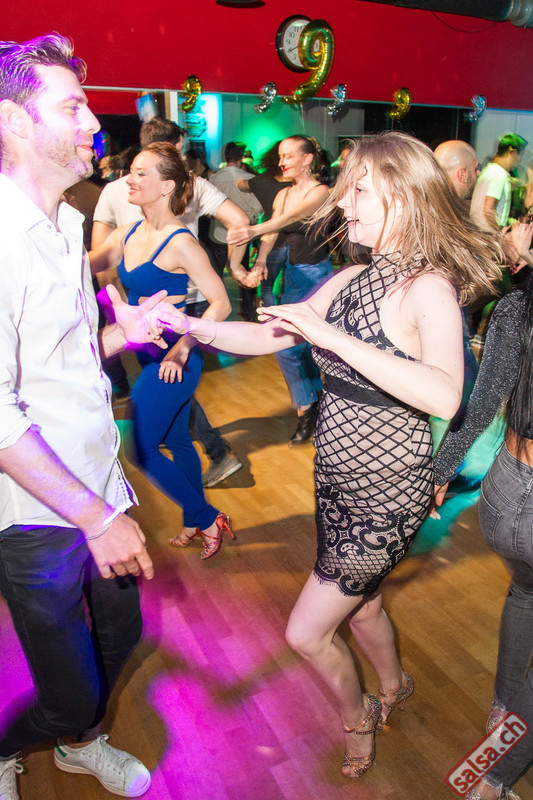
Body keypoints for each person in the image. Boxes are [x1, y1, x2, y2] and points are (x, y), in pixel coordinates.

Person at [158, 131, 502, 780]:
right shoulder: (349, 278)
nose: (344, 205)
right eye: (344, 192)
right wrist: (192, 327)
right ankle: (394, 683)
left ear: (404, 197)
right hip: (335, 476)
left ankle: (358, 713)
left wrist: (330, 338)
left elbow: (444, 393)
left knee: (306, 632)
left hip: (386, 491)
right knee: (361, 602)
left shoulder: (426, 287)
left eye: (358, 191)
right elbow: (268, 336)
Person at [0, 33, 175, 800]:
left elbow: (57, 358)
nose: (93, 122)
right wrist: (96, 519)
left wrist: (120, 335)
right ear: (12, 121)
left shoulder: (66, 223)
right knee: (68, 688)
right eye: (72, 107)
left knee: (121, 634)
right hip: (38, 511)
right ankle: (23, 744)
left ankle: (81, 745)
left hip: (98, 480)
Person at [89, 142, 235, 560]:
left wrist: (185, 347)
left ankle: (207, 517)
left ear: (167, 185)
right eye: (131, 171)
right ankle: (194, 521)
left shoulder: (181, 242)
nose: (130, 180)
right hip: (148, 353)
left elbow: (221, 303)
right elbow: (89, 263)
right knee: (178, 440)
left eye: (141, 173)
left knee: (141, 449)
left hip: (176, 359)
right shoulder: (127, 232)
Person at [434, 224, 533, 800]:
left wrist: (440, 471)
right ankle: (492, 778)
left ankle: (502, 710)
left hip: (503, 494)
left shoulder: (515, 306)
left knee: (525, 592)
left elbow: (477, 406)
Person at [228, 135, 332, 445]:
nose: (282, 161)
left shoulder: (320, 192)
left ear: (307, 159)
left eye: (288, 156)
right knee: (291, 346)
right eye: (281, 156)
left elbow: (292, 217)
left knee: (304, 347)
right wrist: (260, 259)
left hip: (317, 278)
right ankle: (309, 404)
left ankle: (311, 406)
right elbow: (274, 230)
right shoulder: (284, 193)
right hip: (292, 276)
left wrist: (252, 229)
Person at [470, 133, 528, 231]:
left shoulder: (491, 170)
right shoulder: (498, 175)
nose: (520, 160)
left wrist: (509, 222)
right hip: (487, 235)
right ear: (513, 153)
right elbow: (488, 211)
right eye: (521, 155)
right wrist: (501, 232)